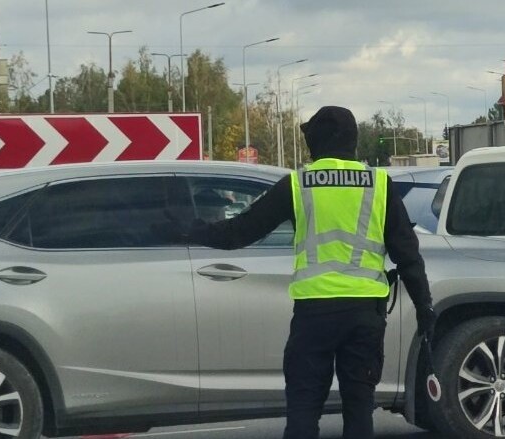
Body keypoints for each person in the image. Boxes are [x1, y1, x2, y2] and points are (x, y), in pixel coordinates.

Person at [180, 106, 436, 439]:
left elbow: (239, 233)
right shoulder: (379, 186)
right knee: (359, 409)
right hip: (364, 315)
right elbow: (408, 256)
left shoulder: (298, 184)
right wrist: (424, 307)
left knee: (303, 410)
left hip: (313, 314)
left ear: (317, 142)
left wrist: (192, 230)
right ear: (352, 141)